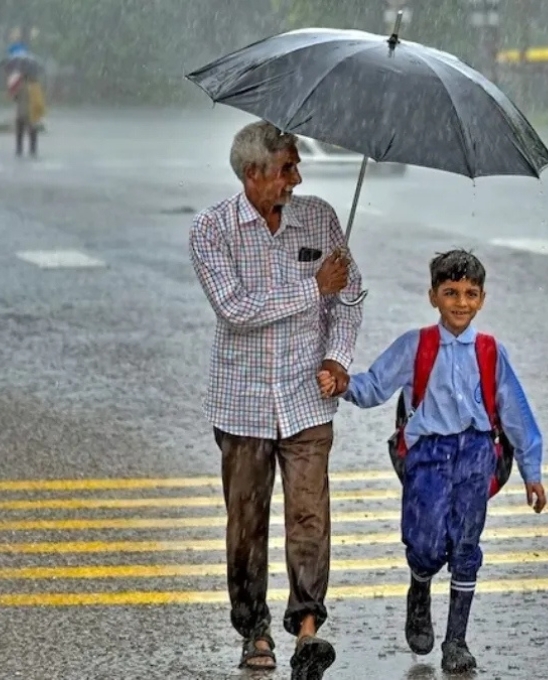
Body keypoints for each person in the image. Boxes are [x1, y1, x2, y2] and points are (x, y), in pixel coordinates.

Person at [188, 119, 363, 680]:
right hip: (242, 405)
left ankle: (308, 629)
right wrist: (313, 286)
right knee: (246, 522)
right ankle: (254, 628)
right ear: (253, 173)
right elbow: (236, 309)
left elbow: (350, 301)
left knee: (310, 516)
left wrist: (337, 359)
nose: (297, 177)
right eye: (287, 167)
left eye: (295, 165)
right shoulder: (211, 230)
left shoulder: (320, 217)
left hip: (308, 400)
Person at [317, 249, 547, 673]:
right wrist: (343, 384)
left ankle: (456, 641)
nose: (461, 302)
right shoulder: (415, 345)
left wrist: (532, 472)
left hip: (477, 454)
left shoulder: (491, 352)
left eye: (470, 293)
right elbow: (374, 386)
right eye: (450, 292)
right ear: (433, 296)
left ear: (482, 299)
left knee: (465, 544)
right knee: (423, 544)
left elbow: (515, 412)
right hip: (426, 457)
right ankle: (419, 585)